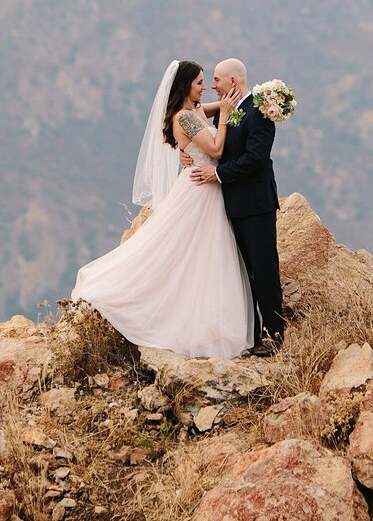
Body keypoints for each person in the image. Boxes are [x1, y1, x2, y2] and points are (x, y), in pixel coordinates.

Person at [70, 60, 253, 359]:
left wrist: (228, 99)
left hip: (203, 187)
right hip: (200, 191)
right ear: (185, 86)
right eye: (199, 82)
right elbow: (217, 150)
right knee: (192, 255)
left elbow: (212, 107)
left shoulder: (193, 111)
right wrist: (225, 116)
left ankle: (207, 320)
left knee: (199, 256)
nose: (204, 87)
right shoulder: (185, 118)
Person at [188, 58, 284, 357]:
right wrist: (185, 152)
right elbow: (188, 119)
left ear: (232, 81)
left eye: (216, 79)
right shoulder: (228, 112)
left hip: (256, 203)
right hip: (233, 204)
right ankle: (252, 332)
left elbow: (255, 158)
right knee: (246, 272)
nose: (212, 86)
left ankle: (275, 333)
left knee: (264, 268)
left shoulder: (259, 110)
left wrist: (216, 174)